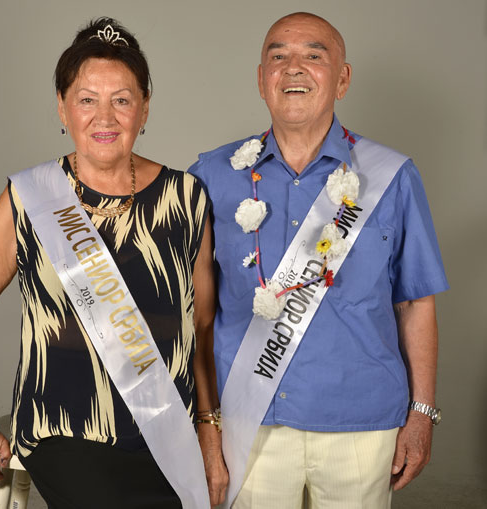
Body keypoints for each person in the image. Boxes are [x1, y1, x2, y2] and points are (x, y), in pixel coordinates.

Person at [0, 17, 227, 509]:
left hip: (167, 431)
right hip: (64, 430)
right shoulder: (30, 197)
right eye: (86, 100)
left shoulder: (186, 197)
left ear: (144, 108)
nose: (105, 118)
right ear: (62, 107)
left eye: (121, 100)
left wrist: (208, 431)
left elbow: (202, 329)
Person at [189, 12, 447, 509]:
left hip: (362, 422)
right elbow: (194, 313)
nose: (293, 67)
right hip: (248, 419)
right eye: (278, 56)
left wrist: (422, 413)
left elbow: (416, 303)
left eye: (313, 55)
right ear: (261, 79)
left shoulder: (392, 177)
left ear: (342, 79)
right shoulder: (210, 175)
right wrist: (205, 421)